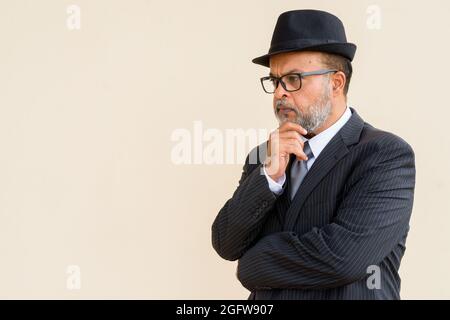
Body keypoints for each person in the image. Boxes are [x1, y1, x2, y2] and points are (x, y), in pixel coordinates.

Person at [211, 9, 416, 300]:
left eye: (293, 79)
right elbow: (226, 243)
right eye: (275, 80)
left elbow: (345, 258)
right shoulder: (263, 157)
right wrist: (269, 177)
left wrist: (254, 263)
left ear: (336, 83)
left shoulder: (385, 155)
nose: (280, 93)